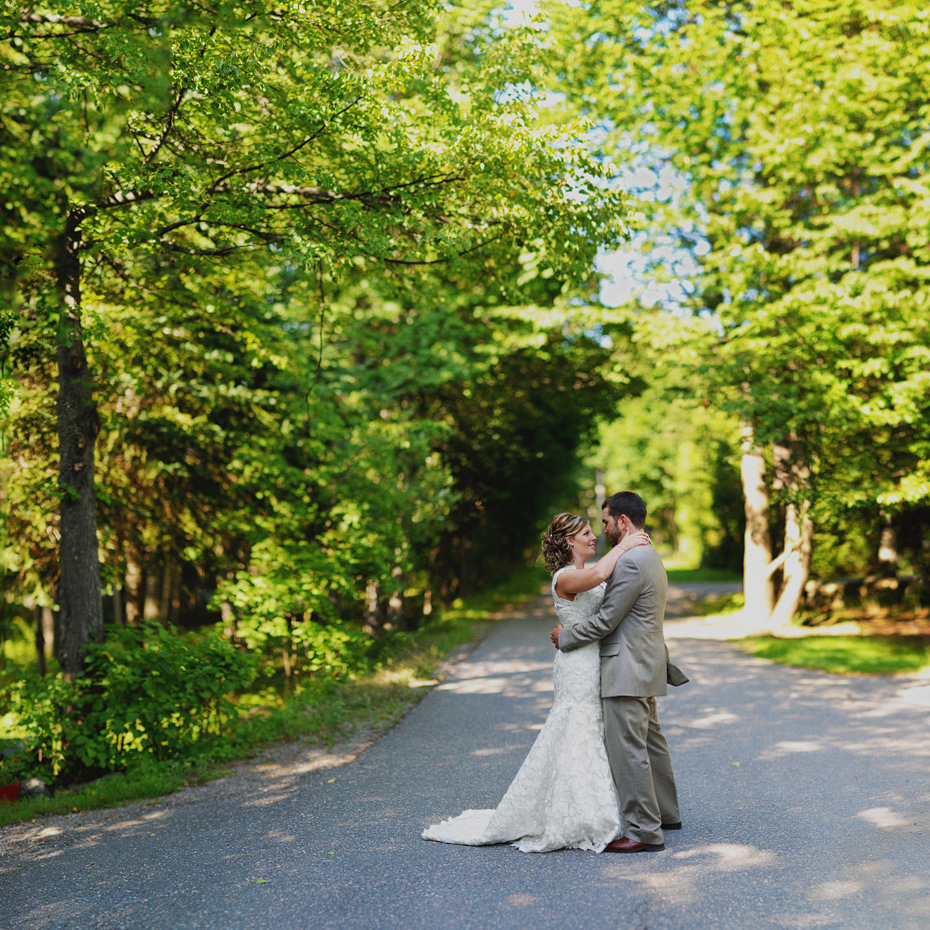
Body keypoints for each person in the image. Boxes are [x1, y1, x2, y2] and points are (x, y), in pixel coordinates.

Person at [422, 512, 650, 853]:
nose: (593, 537)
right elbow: (603, 573)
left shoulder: (584, 574)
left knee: (592, 732)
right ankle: (585, 815)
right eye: (586, 533)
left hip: (594, 661)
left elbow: (608, 599)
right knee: (577, 729)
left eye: (593, 531)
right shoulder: (565, 577)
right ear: (569, 541)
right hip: (577, 666)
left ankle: (594, 806)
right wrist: (627, 543)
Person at [552, 491, 683, 853]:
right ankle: (666, 814)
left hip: (626, 665)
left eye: (607, 522)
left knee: (629, 748)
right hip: (647, 661)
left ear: (623, 522)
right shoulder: (649, 553)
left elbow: (608, 620)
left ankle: (643, 830)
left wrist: (565, 637)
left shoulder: (628, 561)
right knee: (652, 743)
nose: (603, 530)